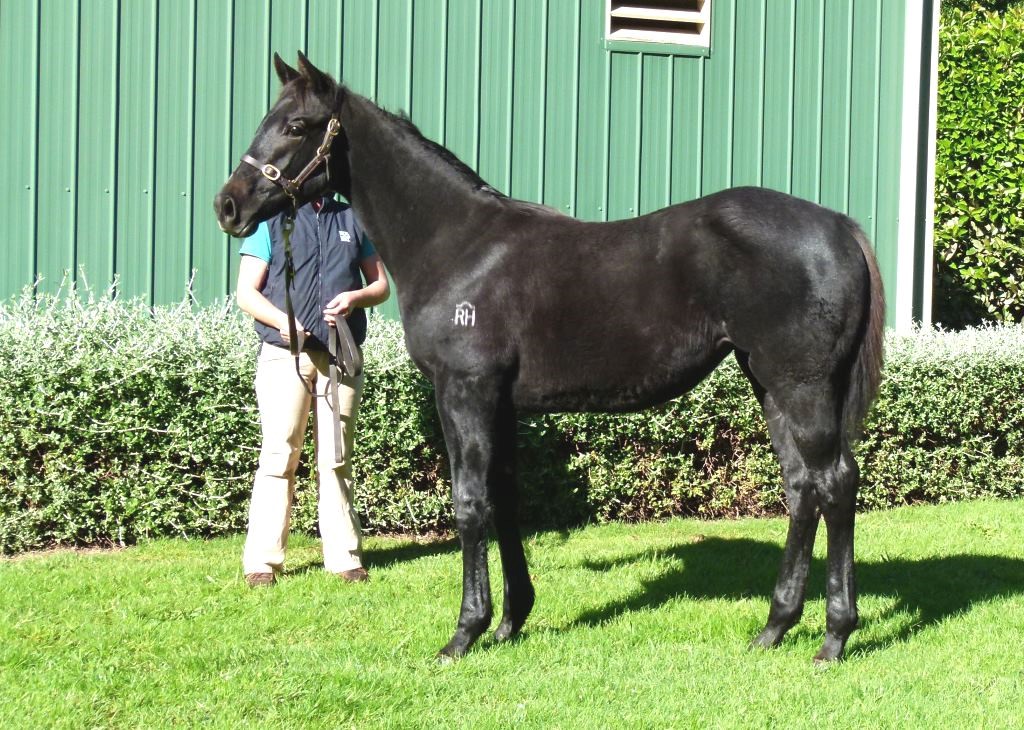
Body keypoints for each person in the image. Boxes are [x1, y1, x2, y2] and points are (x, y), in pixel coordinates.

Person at [235, 195, 389, 587]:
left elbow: (381, 286)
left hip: (340, 355)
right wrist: (281, 320)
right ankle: (262, 563)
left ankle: (345, 558)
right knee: (278, 456)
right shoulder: (271, 220)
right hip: (284, 355)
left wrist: (355, 298)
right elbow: (246, 293)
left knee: (336, 458)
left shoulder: (353, 218)